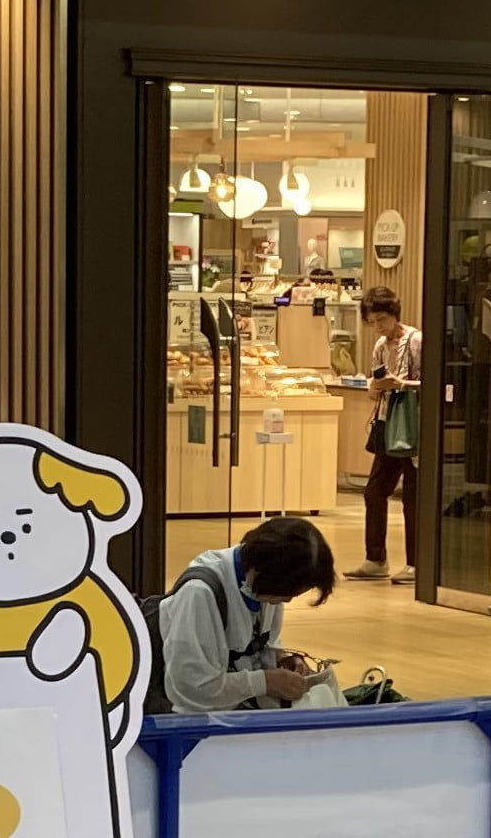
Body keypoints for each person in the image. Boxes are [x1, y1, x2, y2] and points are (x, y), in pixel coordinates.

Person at [158, 514, 342, 712]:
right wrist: (265, 682)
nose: (287, 600)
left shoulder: (263, 584)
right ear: (261, 572)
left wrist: (282, 659)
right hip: (195, 719)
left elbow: (264, 644)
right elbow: (191, 689)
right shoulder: (199, 594)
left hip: (241, 710)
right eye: (285, 593)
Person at [353, 288, 420, 583]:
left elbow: (433, 383)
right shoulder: (380, 345)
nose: (378, 326)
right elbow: (374, 386)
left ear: (394, 314)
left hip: (410, 426)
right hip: (386, 422)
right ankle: (375, 558)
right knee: (375, 491)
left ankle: (417, 563)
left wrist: (401, 384)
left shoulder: (416, 341)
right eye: (372, 322)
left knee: (413, 497)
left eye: (381, 319)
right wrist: (376, 386)